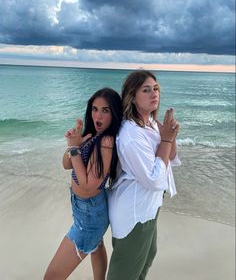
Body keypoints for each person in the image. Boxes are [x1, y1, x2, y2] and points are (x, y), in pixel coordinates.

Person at [107, 70, 181, 280]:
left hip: (149, 207)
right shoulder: (131, 134)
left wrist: (170, 135)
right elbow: (154, 179)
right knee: (124, 272)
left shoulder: (150, 124)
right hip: (135, 212)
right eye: (146, 90)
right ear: (132, 96)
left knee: (147, 258)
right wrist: (166, 140)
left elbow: (170, 158)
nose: (154, 94)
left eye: (156, 89)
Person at [44, 87, 122, 280]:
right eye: (95, 109)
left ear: (114, 113)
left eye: (106, 110)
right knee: (96, 247)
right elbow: (66, 164)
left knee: (51, 277)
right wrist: (73, 144)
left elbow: (88, 185)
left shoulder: (106, 141)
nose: (98, 115)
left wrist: (73, 149)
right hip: (86, 209)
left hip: (90, 216)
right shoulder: (92, 135)